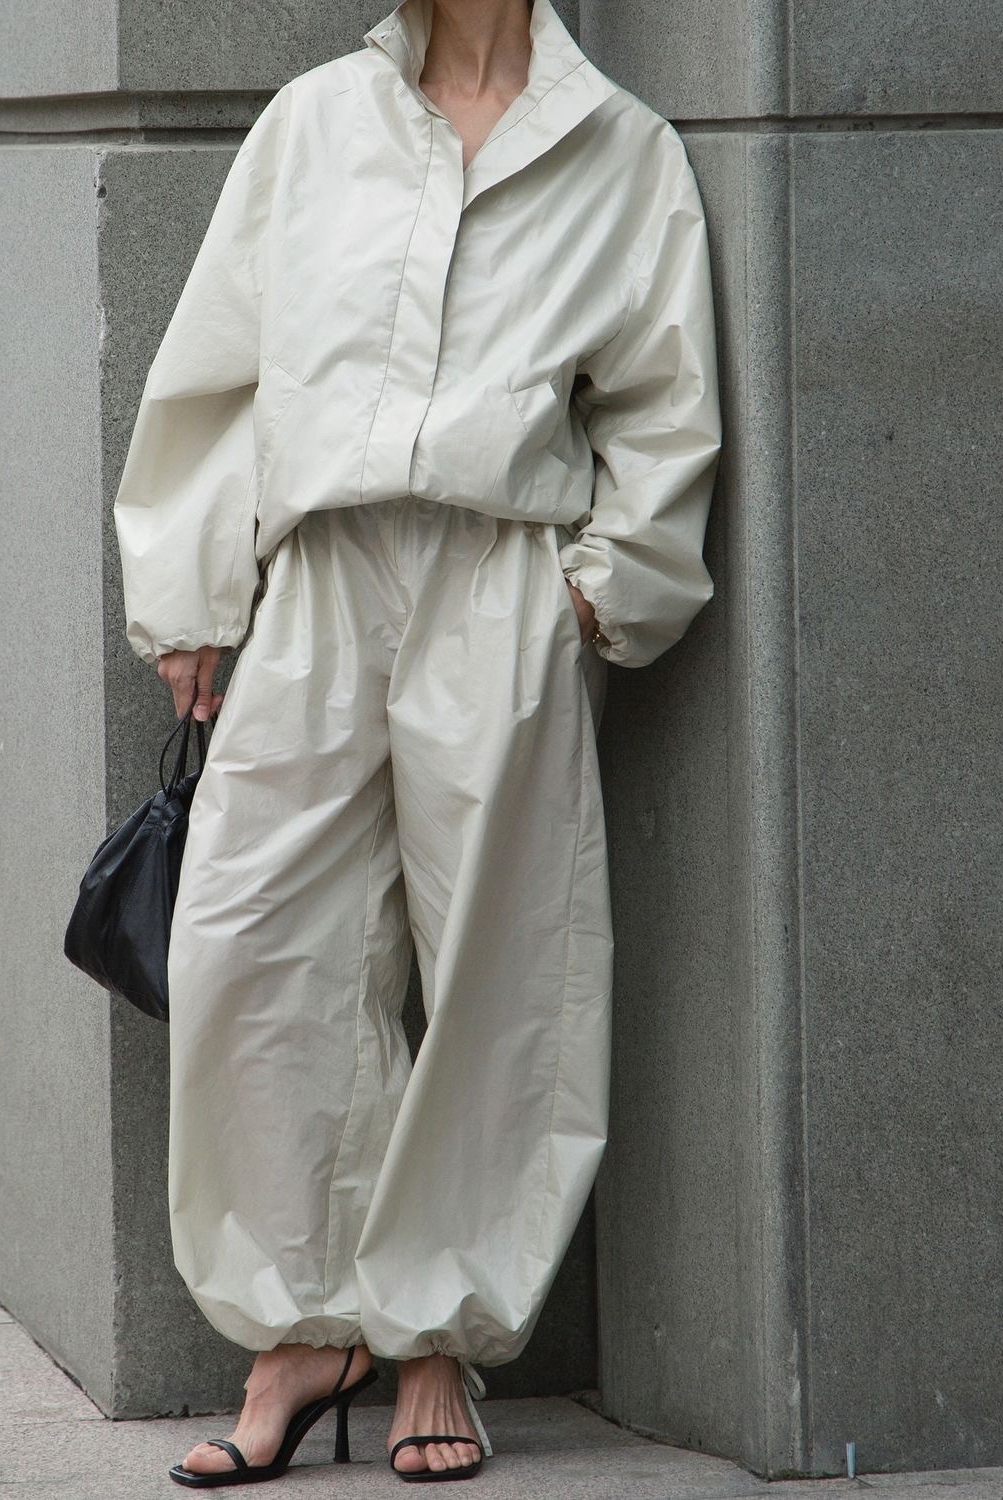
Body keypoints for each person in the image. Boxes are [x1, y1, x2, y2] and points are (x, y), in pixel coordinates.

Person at [112, 0, 722, 1486]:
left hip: (500, 580)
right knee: (252, 941)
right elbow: (218, 369)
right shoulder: (313, 121)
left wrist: (597, 597)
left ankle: (434, 1331)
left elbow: (660, 396)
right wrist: (192, 591)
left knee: (500, 962)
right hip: (316, 577)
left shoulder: (620, 149)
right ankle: (302, 1327)